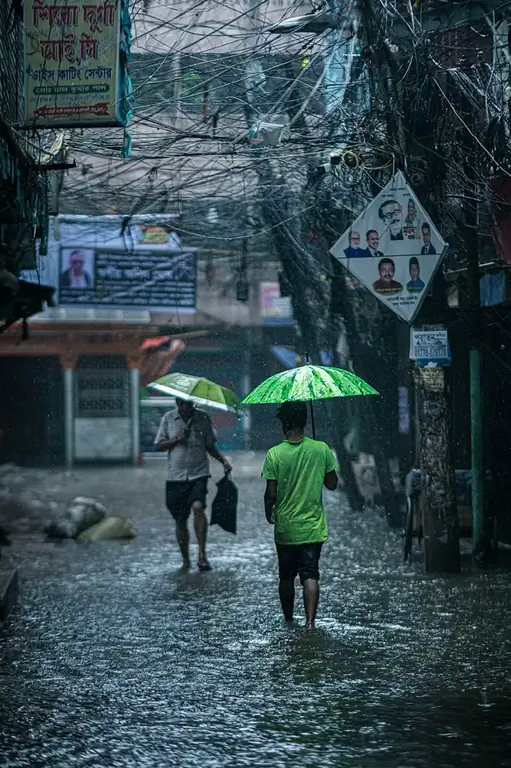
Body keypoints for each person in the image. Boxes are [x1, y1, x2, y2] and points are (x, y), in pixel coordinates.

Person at [262, 402, 338, 630]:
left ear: (285, 424)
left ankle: (288, 619)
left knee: (286, 576)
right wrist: (320, 464)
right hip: (312, 527)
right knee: (310, 573)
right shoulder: (321, 449)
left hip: (286, 528)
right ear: (305, 421)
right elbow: (333, 484)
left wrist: (269, 513)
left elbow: (271, 494)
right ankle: (311, 623)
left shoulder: (274, 454)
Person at [155, 397, 232, 572]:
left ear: (193, 403)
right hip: (175, 477)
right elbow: (159, 446)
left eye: (188, 403)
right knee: (180, 519)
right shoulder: (168, 418)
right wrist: (176, 439)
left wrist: (224, 461)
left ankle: (202, 555)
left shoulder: (203, 418)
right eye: (181, 403)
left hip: (199, 473)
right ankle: (185, 560)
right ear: (176, 403)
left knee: (198, 507)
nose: (184, 407)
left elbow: (210, 446)